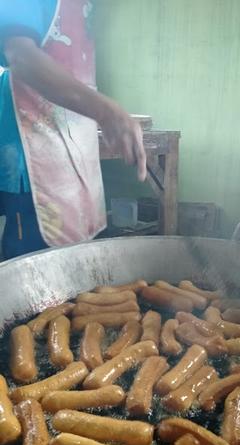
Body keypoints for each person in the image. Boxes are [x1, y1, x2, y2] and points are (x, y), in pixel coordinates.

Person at [0, 0, 146, 259]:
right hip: (31, 165)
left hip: (77, 160)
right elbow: (21, 56)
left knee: (75, 269)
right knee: (34, 282)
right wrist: (106, 111)